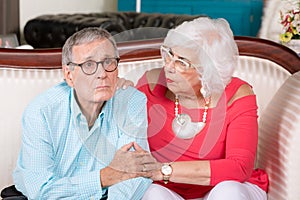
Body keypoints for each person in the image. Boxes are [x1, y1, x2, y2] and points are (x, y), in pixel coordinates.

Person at [13, 27, 156, 199]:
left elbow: (136, 174)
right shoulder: (41, 112)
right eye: (89, 65)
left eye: (108, 62)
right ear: (69, 75)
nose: (102, 74)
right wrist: (105, 177)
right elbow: (41, 190)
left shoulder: (131, 101)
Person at [135, 17, 269, 199]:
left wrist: (164, 171)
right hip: (168, 190)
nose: (168, 67)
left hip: (225, 187)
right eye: (168, 54)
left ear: (208, 73)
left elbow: (239, 167)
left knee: (228, 192)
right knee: (152, 194)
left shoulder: (237, 95)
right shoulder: (150, 86)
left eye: (181, 62)